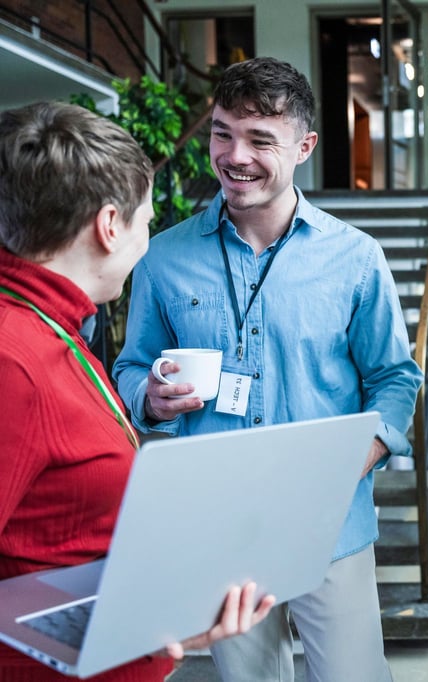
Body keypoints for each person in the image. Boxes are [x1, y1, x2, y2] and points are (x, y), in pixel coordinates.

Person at [111, 57, 422, 682]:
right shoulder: (161, 258)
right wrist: (149, 396)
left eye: (260, 139)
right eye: (222, 134)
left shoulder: (356, 259)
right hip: (220, 523)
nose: (235, 156)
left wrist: (356, 458)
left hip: (330, 522)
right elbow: (131, 366)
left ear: (304, 147)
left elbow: (395, 378)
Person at [0, 101, 275, 681]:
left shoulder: (54, 327)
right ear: (108, 226)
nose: (148, 240)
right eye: (145, 221)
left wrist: (154, 616)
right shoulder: (13, 360)